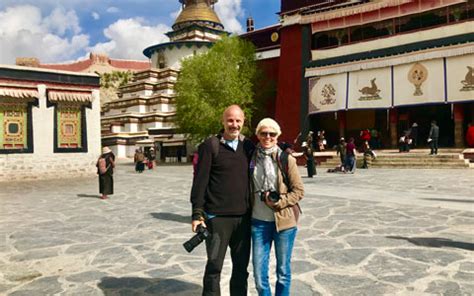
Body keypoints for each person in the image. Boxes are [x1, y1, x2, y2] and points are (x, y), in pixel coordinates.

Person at [190, 105, 255, 296]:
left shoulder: (248, 146)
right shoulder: (211, 146)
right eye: (230, 120)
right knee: (214, 267)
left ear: (243, 122)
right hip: (217, 220)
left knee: (241, 269)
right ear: (223, 121)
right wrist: (197, 213)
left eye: (238, 121)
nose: (234, 125)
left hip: (243, 219)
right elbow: (200, 182)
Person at [250, 118, 304, 296]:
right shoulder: (251, 158)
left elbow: (298, 191)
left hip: (284, 223)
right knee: (259, 273)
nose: (267, 137)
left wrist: (279, 202)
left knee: (283, 271)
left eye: (272, 134)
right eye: (263, 133)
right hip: (259, 222)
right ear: (257, 135)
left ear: (277, 136)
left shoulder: (286, 159)